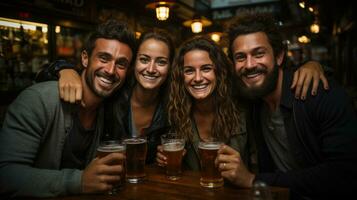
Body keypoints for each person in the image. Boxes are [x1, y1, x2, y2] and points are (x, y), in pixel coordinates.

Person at [216, 12, 357, 198]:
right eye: (240, 57)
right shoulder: (252, 100)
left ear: (280, 56)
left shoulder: (318, 94)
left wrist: (253, 179)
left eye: (259, 54)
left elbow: (344, 173)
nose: (249, 65)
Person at [0, 19, 136, 197]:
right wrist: (78, 181)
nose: (111, 70)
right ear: (85, 58)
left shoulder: (108, 109)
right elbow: (5, 175)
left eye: (121, 64)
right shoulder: (39, 100)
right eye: (104, 58)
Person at [155, 37, 327, 171]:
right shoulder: (176, 113)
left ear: (220, 72)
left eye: (206, 68)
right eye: (189, 71)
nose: (198, 78)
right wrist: (163, 159)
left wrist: (312, 65)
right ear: (181, 77)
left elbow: (271, 79)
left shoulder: (246, 105)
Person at [39, 29, 175, 164]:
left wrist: (161, 158)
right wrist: (64, 69)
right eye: (144, 59)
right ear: (133, 64)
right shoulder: (114, 92)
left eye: (161, 62)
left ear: (170, 68)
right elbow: (43, 79)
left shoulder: (173, 107)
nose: (151, 69)